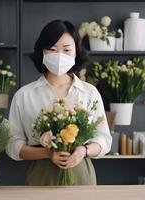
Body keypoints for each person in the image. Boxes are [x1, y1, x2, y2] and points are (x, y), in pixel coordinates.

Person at [6, 20, 112, 185]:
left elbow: (104, 139)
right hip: (41, 175)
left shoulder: (89, 93)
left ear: (77, 51)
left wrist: (84, 150)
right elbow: (13, 145)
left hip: (81, 173)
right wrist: (47, 154)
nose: (60, 55)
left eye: (67, 49)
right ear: (42, 52)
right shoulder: (24, 95)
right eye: (52, 49)